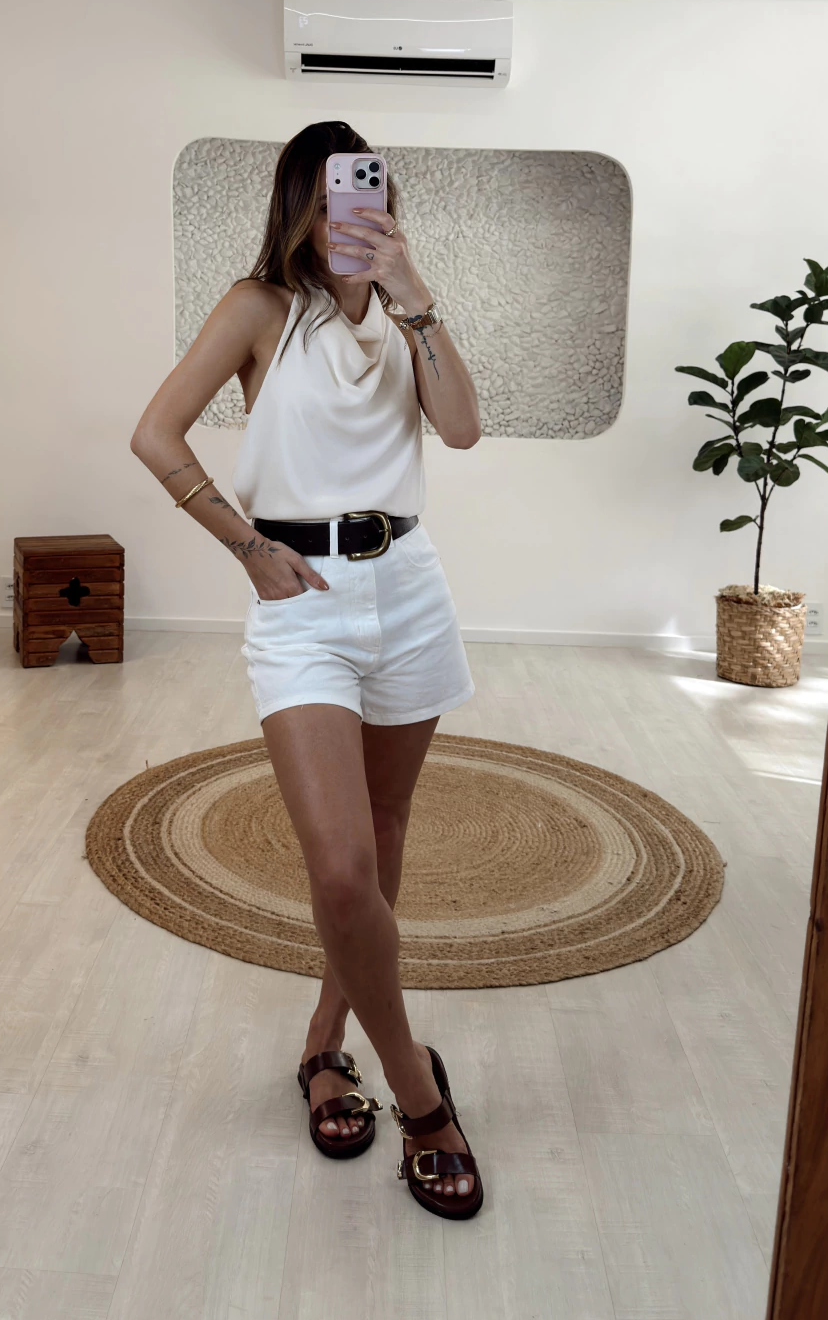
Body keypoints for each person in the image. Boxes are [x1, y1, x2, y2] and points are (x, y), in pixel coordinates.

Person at [131, 120, 483, 1218]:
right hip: (302, 603)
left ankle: (326, 1043)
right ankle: (419, 1091)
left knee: (383, 834)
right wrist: (246, 546)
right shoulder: (259, 309)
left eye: (364, 197)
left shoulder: (406, 313)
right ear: (299, 204)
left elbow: (462, 432)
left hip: (409, 588)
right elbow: (156, 434)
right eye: (328, 198)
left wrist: (415, 295)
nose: (347, 217)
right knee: (338, 868)